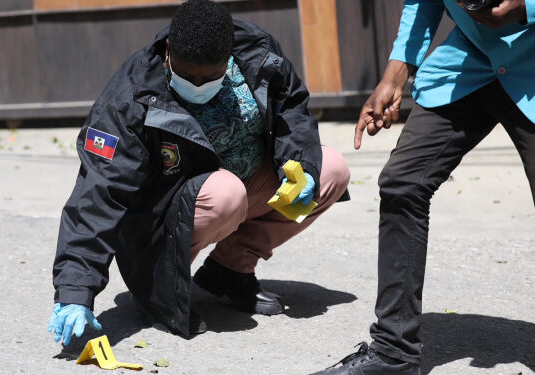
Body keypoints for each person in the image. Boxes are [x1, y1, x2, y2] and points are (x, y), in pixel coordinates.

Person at [48, 0, 350, 346]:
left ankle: (228, 272)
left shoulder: (259, 55)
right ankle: (158, 286)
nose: (199, 84)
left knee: (330, 170)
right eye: (187, 75)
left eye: (212, 76)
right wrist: (75, 288)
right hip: (164, 216)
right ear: (168, 52)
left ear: (230, 58)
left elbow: (291, 112)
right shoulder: (131, 95)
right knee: (226, 193)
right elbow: (99, 191)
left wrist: (301, 166)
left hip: (238, 186)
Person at [314, 0, 535, 374]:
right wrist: (394, 76)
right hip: (471, 63)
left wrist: (525, 7)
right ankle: (393, 353)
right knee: (403, 183)